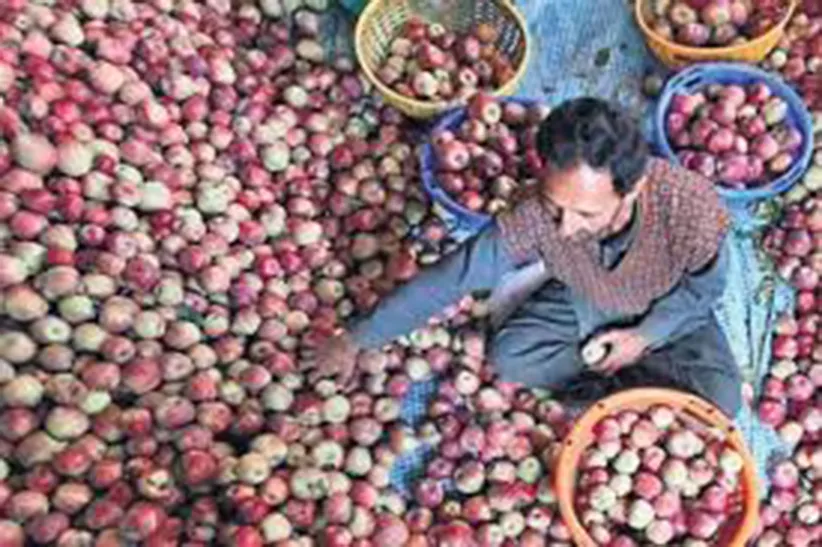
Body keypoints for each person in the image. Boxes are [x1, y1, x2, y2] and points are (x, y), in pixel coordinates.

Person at [306, 97, 742, 417]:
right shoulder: (535, 215)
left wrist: (646, 336)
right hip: (590, 299)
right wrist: (356, 338)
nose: (565, 228)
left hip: (670, 309)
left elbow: (704, 289)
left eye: (586, 213)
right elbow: (454, 276)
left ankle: (624, 387)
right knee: (510, 356)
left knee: (721, 403)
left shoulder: (691, 210)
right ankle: (627, 395)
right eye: (556, 208)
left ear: (633, 190)